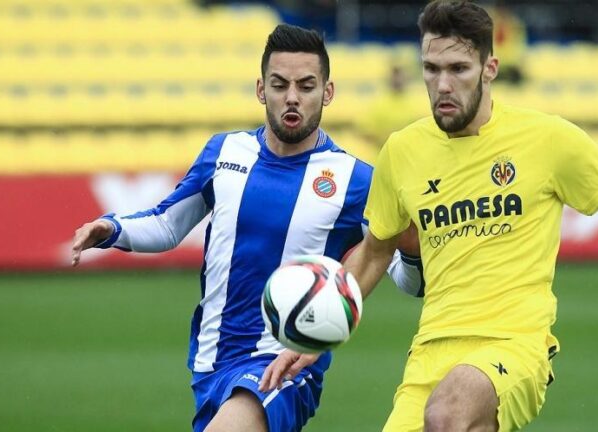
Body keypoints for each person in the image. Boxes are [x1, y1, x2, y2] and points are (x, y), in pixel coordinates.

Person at [260, 2, 598, 431]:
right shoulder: (402, 152)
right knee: (442, 414)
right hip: (430, 352)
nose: (442, 84)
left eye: (458, 68)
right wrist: (318, 331)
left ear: (489, 67)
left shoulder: (549, 140)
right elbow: (374, 252)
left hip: (515, 344)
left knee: (448, 415)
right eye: (431, 68)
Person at [70, 24, 422, 432]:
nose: (292, 96)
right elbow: (168, 224)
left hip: (285, 365)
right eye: (280, 84)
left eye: (306, 86)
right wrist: (111, 228)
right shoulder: (224, 152)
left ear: (327, 93)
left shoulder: (355, 180)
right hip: (211, 363)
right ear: (261, 89)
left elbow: (406, 279)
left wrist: (412, 249)